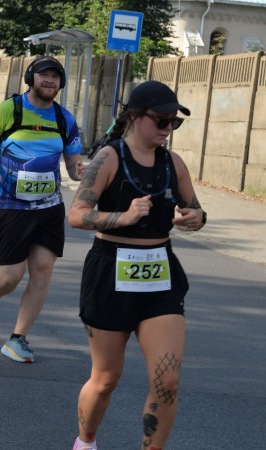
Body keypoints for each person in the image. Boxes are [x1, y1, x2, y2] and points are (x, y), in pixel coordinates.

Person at [66, 80, 206, 450]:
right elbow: (77, 216)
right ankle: (85, 441)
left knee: (168, 381)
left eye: (173, 123)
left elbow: (197, 207)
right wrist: (123, 218)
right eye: (160, 120)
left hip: (160, 274)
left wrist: (195, 217)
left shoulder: (173, 163)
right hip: (110, 271)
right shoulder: (110, 158)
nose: (166, 130)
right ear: (134, 117)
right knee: (106, 378)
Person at [0, 56, 85, 363]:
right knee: (10, 275)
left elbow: (73, 166)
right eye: (43, 75)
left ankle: (18, 338)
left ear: (61, 84)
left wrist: (81, 171)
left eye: (55, 77)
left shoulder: (65, 119)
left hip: (49, 207)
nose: (49, 81)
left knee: (42, 272)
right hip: (13, 206)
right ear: (30, 77)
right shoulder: (10, 110)